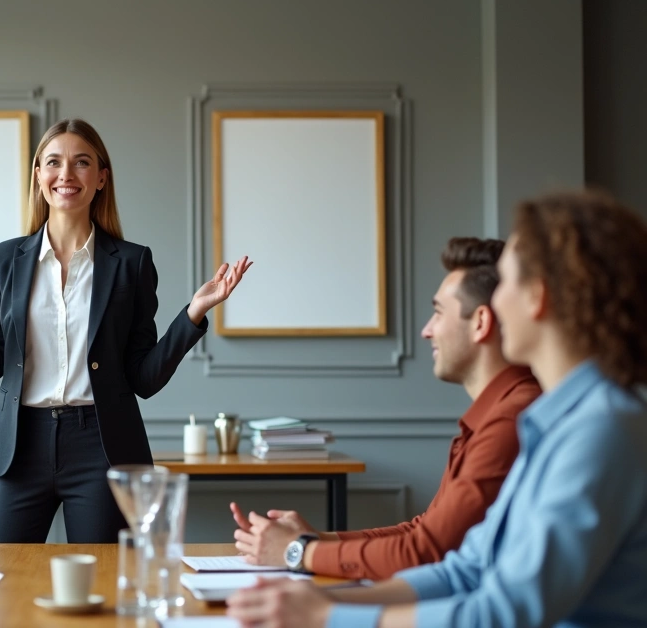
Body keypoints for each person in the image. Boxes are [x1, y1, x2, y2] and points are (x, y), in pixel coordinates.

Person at [227, 190, 647, 627]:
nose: (497, 303)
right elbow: (467, 567)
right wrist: (321, 603)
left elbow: (505, 613)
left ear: (537, 296)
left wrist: (329, 616)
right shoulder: (557, 422)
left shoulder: (602, 431)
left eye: (505, 281)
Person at [0, 118, 252, 543]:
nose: (66, 174)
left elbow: (144, 378)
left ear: (101, 177)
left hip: (102, 448)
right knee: (2, 580)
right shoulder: (7, 258)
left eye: (81, 163)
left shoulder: (132, 263)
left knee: (102, 587)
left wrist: (193, 313)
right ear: (39, 176)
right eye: (53, 163)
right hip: (20, 446)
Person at [230, 237, 541, 580]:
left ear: (480, 323)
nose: (426, 331)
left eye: (438, 313)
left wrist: (298, 552)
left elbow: (426, 552)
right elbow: (422, 531)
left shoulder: (512, 420)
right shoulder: (498, 413)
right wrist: (317, 541)